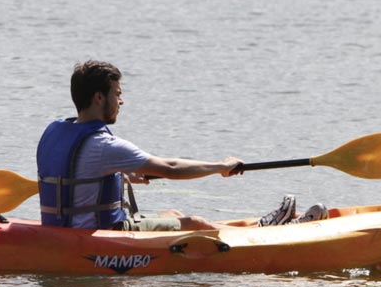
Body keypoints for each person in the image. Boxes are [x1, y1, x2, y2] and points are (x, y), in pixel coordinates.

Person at [37, 61, 326, 231]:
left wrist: (120, 174)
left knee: (172, 214)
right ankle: (266, 234)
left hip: (63, 231)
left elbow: (73, 174)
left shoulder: (53, 131)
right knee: (195, 223)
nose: (121, 102)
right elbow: (171, 168)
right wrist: (221, 167)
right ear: (99, 98)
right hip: (103, 235)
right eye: (117, 94)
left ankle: (261, 226)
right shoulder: (104, 145)